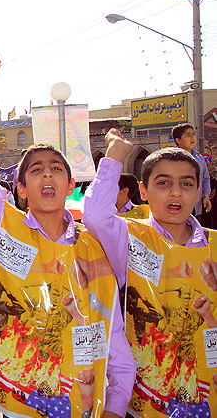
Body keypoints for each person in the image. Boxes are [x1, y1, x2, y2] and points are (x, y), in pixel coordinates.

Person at [0, 54, 134, 418]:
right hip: (20, 403)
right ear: (21, 188)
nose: (47, 176)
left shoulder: (94, 249)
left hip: (84, 405)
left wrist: (116, 405)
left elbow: (112, 333)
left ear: (69, 184)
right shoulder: (5, 228)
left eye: (56, 169)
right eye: (36, 170)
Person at [84, 129, 217, 417]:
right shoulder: (129, 237)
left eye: (186, 184)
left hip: (206, 394)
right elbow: (95, 216)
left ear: (197, 191)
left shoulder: (214, 245)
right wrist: (113, 156)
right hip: (144, 398)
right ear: (143, 191)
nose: (175, 193)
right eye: (163, 183)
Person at [172, 123, 211, 221]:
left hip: (197, 207)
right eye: (188, 135)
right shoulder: (172, 159)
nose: (192, 137)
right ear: (178, 140)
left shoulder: (200, 159)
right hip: (178, 207)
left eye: (193, 134)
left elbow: (205, 179)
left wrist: (206, 196)